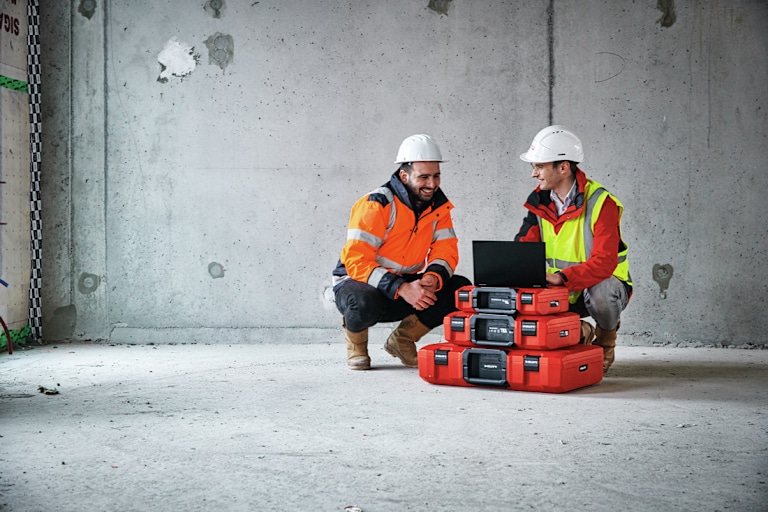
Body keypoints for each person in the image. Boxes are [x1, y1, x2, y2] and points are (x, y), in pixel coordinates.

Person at [332, 134, 471, 370]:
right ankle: (357, 346)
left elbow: (445, 249)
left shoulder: (439, 207)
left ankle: (402, 340)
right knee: (362, 300)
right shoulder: (376, 204)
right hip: (359, 283)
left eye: (436, 176)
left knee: (459, 288)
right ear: (404, 176)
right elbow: (356, 261)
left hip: (404, 285)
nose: (432, 184)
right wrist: (401, 288)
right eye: (423, 177)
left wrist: (431, 279)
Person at [514, 125, 632, 372]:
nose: (534, 174)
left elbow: (604, 263)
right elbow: (523, 251)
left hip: (598, 288)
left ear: (563, 167)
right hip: (563, 290)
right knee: (521, 307)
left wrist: (561, 278)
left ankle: (605, 343)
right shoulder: (539, 203)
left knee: (603, 290)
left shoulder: (602, 202)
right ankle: (580, 332)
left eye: (539, 167)